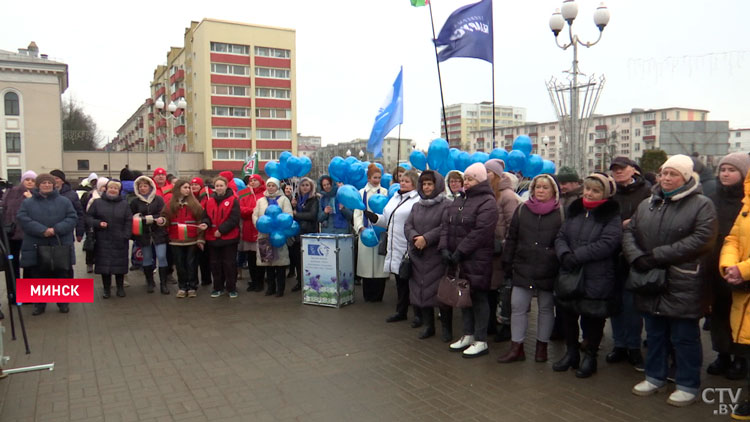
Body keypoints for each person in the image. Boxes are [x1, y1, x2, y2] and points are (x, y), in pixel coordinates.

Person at [625, 154, 717, 407]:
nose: (666, 178)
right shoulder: (648, 204)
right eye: (664, 173)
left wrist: (656, 256)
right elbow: (630, 232)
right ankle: (655, 376)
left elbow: (702, 239)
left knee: (683, 336)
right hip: (651, 278)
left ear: (686, 177)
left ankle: (688, 384)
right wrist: (637, 258)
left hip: (682, 281)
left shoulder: (701, 204)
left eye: (673, 174)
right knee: (654, 332)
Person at [553, 173, 622, 378]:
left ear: (605, 194)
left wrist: (578, 255)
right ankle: (571, 353)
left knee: (593, 318)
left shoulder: (610, 215)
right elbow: (561, 235)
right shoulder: (574, 210)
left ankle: (590, 357)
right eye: (588, 189)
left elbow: (608, 243)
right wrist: (564, 253)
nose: (589, 194)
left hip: (597, 275)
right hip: (570, 273)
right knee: (568, 315)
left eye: (595, 190)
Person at [498, 174, 563, 364]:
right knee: (517, 307)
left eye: (545, 188)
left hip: (548, 269)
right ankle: (516, 348)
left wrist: (555, 258)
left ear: (553, 191)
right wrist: (507, 262)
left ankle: (541, 348)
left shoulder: (560, 212)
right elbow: (512, 238)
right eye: (537, 187)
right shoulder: (522, 210)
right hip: (522, 266)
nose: (540, 191)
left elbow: (563, 240)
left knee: (545, 308)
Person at [440, 163, 499, 358]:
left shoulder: (487, 202)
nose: (466, 181)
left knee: (479, 298)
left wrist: (460, 251)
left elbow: (481, 232)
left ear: (480, 180)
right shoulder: (459, 200)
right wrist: (445, 249)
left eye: (471, 178)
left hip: (477, 259)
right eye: (466, 178)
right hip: (459, 259)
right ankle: (468, 334)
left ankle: (480, 340)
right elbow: (446, 225)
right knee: (463, 296)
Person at [606, 156, 653, 371]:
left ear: (633, 170)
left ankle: (633, 346)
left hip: (636, 254)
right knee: (615, 302)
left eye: (621, 169)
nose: (618, 172)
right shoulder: (611, 193)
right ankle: (619, 345)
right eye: (614, 169)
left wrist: (631, 224)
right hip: (612, 254)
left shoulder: (647, 192)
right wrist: (618, 224)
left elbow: (652, 218)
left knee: (632, 305)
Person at [707, 153, 750, 380]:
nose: (725, 173)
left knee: (741, 315)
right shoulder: (711, 198)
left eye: (732, 170)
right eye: (723, 169)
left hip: (742, 270)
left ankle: (740, 358)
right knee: (719, 312)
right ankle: (722, 353)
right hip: (717, 265)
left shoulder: (747, 200)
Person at [16, 173, 77, 315]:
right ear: (39, 185)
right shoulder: (28, 202)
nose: (46, 185)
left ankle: (62, 303)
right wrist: (42, 230)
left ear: (54, 185)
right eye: (43, 183)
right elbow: (23, 218)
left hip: (59, 243)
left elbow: (72, 217)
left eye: (49, 183)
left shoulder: (64, 201)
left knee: (61, 275)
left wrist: (55, 230)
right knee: (38, 276)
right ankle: (39, 304)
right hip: (36, 243)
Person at [366, 169, 421, 325]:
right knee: (400, 280)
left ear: (414, 184)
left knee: (413, 281)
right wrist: (375, 218)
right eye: (402, 180)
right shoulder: (395, 197)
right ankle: (401, 311)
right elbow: (387, 220)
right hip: (394, 244)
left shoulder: (417, 200)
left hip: (408, 245)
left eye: (407, 181)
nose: (403, 183)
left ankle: (418, 314)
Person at [719, 166, 750, 420]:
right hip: (744, 288)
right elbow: (733, 239)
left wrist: (743, 270)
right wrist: (729, 265)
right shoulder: (746, 203)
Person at [404, 170, 449, 339]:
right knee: (421, 293)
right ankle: (429, 326)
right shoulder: (417, 205)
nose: (427, 187)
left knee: (441, 295)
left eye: (430, 184)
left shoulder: (446, 204)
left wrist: (426, 239)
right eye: (424, 184)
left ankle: (446, 328)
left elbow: (445, 227)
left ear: (437, 185)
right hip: (418, 256)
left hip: (436, 256)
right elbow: (408, 226)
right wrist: (415, 237)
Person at [485, 159, 522, 343]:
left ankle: (506, 328)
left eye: (489, 172)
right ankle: (491, 323)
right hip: (490, 252)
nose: (486, 175)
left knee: (505, 293)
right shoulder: (491, 194)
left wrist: (504, 247)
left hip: (502, 253)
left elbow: (513, 226)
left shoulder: (508, 196)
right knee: (491, 290)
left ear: (498, 175)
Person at [158, 180, 207, 298]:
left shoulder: (195, 204)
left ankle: (192, 286)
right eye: (185, 187)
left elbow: (201, 220)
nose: (188, 189)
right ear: (178, 188)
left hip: (192, 239)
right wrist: (162, 221)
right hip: (176, 239)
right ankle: (182, 286)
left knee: (191, 264)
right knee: (179, 264)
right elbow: (165, 217)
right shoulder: (170, 204)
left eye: (189, 187)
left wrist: (200, 238)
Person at [87, 180, 132, 298]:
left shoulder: (124, 204)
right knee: (104, 266)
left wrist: (126, 235)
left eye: (115, 188)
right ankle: (106, 289)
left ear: (119, 191)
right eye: (111, 187)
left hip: (120, 239)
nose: (113, 190)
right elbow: (88, 218)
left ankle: (120, 288)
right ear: (106, 189)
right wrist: (98, 223)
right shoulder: (97, 203)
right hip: (102, 238)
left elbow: (129, 220)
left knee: (120, 266)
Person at [353, 164, 389, 302]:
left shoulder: (384, 192)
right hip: (366, 233)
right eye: (374, 177)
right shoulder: (362, 193)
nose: (377, 180)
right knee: (366, 265)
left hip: (380, 232)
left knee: (380, 265)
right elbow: (357, 212)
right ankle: (368, 294)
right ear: (368, 178)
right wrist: (360, 227)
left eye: (379, 177)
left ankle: (379, 294)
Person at [253, 177, 294, 297]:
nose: (271, 188)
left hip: (278, 235)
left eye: (273, 185)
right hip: (265, 234)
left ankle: (280, 289)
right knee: (268, 263)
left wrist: (280, 227)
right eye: (269, 185)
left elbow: (288, 214)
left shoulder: (283, 200)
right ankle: (270, 287)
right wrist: (259, 225)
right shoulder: (261, 201)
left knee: (279, 264)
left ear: (277, 187)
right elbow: (255, 214)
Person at [131, 175, 170, 294]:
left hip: (158, 233)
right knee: (147, 258)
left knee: (161, 256)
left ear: (150, 186)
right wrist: (147, 219)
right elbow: (133, 217)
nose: (143, 188)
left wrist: (160, 220)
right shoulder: (135, 202)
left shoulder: (158, 199)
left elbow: (163, 214)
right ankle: (150, 282)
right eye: (140, 186)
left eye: (145, 186)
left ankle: (163, 283)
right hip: (144, 234)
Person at [204, 176, 240, 298]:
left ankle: (231, 288)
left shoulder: (233, 200)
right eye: (217, 185)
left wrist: (221, 230)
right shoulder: (209, 201)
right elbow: (206, 216)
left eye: (221, 185)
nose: (219, 188)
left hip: (229, 238)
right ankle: (217, 287)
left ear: (226, 186)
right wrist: (206, 223)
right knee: (215, 264)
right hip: (212, 238)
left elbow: (234, 219)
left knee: (229, 264)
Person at [2, 170, 36, 282]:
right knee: (12, 263)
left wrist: (31, 199)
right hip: (12, 234)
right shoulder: (11, 192)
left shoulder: (38, 194)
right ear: (22, 181)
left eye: (33, 180)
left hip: (30, 235)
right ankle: (14, 292)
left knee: (29, 265)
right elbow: (4, 208)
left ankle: (27, 294)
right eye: (27, 179)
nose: (30, 182)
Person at [290, 177, 319, 292]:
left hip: (309, 233)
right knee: (298, 260)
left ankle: (310, 282)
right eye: (302, 185)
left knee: (309, 260)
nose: (305, 187)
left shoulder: (314, 199)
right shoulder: (297, 199)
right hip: (297, 233)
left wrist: (297, 214)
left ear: (311, 187)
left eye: (307, 185)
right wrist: (293, 206)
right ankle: (299, 281)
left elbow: (312, 215)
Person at [238, 174, 266, 292]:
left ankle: (260, 281)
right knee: (250, 258)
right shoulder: (245, 194)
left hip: (260, 229)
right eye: (251, 180)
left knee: (261, 257)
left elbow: (264, 211)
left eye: (255, 180)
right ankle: (253, 280)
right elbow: (241, 210)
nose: (253, 182)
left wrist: (252, 212)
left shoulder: (264, 194)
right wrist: (254, 211)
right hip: (248, 228)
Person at [50, 169, 85, 245]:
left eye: (57, 178)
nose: (54, 180)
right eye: (52, 178)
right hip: (48, 233)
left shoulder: (72, 195)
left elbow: (79, 214)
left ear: (62, 181)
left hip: (66, 233)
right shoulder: (45, 194)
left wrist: (79, 232)